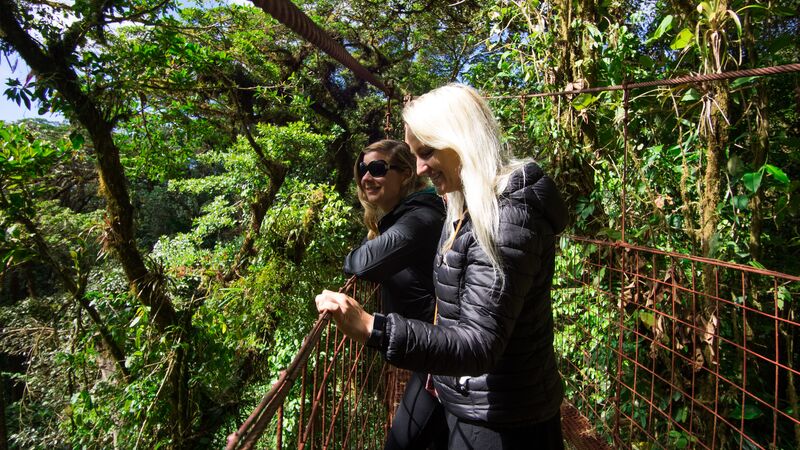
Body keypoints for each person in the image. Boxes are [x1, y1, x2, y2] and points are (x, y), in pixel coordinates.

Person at [316, 83, 568, 449]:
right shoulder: (467, 207)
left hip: (504, 419)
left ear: (461, 140)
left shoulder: (504, 218)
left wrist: (373, 328)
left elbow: (479, 345)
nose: (420, 167)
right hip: (475, 399)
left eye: (427, 151)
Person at [344, 139, 448, 450]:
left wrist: (359, 251)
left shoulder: (420, 217)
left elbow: (361, 264)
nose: (366, 177)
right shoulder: (405, 217)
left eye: (377, 168)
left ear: (405, 174)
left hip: (441, 355)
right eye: (363, 169)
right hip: (432, 348)